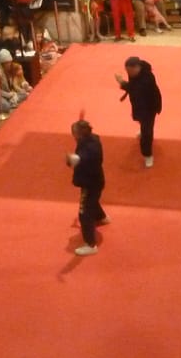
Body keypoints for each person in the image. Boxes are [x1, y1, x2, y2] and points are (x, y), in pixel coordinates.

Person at [66, 119, 106, 256]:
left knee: (84, 212)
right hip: (97, 180)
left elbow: (79, 159)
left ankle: (90, 244)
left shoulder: (88, 150)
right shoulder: (92, 139)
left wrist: (71, 159)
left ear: (79, 134)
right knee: (93, 200)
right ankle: (101, 217)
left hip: (90, 183)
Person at [115, 56, 162, 168]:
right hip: (138, 105)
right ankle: (142, 128)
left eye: (130, 71)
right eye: (127, 71)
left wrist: (122, 82)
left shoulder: (148, 78)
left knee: (147, 132)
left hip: (149, 108)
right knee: (140, 120)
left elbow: (135, 89)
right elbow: (134, 87)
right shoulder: (135, 73)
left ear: (137, 67)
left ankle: (148, 155)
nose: (129, 73)